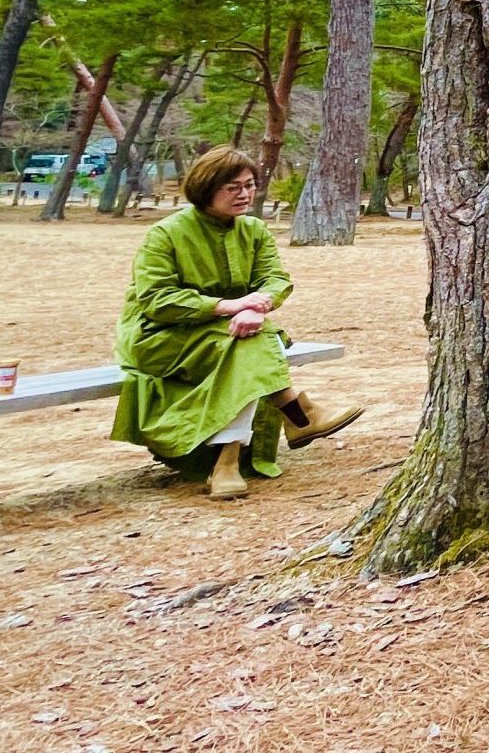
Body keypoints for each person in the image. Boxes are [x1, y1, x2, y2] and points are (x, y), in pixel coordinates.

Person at [112, 147, 365, 500]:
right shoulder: (165, 234)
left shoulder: (254, 230)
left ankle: (227, 461)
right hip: (163, 337)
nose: (245, 194)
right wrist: (229, 306)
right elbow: (157, 301)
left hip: (232, 332)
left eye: (249, 185)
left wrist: (255, 309)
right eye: (233, 187)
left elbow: (275, 278)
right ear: (205, 188)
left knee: (247, 344)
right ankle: (298, 413)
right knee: (252, 344)